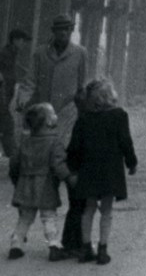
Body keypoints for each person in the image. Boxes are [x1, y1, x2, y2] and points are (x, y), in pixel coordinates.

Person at [26, 14, 89, 257]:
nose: (63, 34)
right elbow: (31, 80)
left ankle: (65, 237)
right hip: (44, 114)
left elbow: (82, 86)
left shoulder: (80, 53)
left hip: (69, 114)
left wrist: (84, 113)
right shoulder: (40, 53)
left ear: (72, 31)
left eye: (67, 30)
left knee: (62, 157)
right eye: (59, 30)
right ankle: (47, 232)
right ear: (53, 32)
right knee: (46, 167)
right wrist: (23, 101)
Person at [66, 79, 136, 265]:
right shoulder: (119, 116)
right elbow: (125, 142)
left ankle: (86, 248)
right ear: (109, 96)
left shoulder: (84, 119)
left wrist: (73, 169)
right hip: (110, 171)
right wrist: (131, 163)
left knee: (88, 209)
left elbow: (74, 147)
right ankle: (103, 249)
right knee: (106, 210)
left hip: (88, 170)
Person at [7, 103, 76, 261]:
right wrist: (68, 177)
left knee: (25, 217)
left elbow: (14, 163)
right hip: (45, 185)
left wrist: (16, 179)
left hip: (25, 184)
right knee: (49, 216)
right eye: (52, 114)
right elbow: (58, 164)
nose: (56, 116)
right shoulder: (54, 142)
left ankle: (16, 244)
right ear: (48, 122)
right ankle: (53, 244)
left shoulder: (24, 141)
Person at [0, 29, 31, 158]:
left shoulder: (12, 54)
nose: (24, 44)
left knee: (7, 126)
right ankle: (13, 157)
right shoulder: (5, 54)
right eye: (23, 41)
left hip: (4, 99)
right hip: (1, 98)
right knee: (8, 126)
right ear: (15, 40)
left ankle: (13, 155)